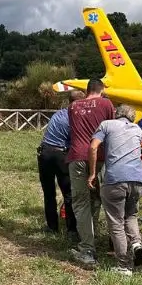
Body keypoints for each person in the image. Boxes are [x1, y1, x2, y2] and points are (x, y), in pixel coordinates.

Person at [87, 103, 142, 275]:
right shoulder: (137, 129)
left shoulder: (107, 124)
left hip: (115, 179)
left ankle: (124, 265)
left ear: (116, 114)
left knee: (116, 222)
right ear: (132, 117)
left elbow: (93, 146)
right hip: (137, 179)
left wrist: (92, 173)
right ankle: (136, 244)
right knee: (131, 215)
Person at [65, 78, 114, 266]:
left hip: (77, 155)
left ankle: (87, 246)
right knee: (101, 199)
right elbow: (110, 128)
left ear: (87, 90)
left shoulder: (73, 106)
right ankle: (109, 242)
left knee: (80, 202)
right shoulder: (106, 103)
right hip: (100, 156)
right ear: (101, 89)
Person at [37, 89, 83, 240]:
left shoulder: (59, 113)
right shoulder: (74, 118)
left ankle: (52, 227)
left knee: (49, 193)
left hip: (44, 153)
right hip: (60, 155)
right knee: (69, 193)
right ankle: (72, 230)